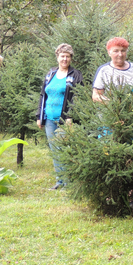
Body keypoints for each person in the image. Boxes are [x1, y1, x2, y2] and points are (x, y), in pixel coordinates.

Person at [36, 44, 84, 190]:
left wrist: (70, 116)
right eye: (62, 56)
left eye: (67, 56)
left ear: (71, 58)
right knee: (55, 149)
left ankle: (68, 182)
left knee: (64, 149)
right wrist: (40, 116)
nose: (65, 59)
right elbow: (43, 95)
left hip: (65, 119)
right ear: (57, 57)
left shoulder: (76, 75)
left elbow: (78, 96)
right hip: (49, 118)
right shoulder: (50, 74)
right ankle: (60, 181)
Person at [92, 37, 133, 115]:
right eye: (116, 51)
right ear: (109, 52)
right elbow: (96, 96)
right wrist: (113, 104)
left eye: (123, 51)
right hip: (110, 119)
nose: (120, 54)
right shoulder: (103, 70)